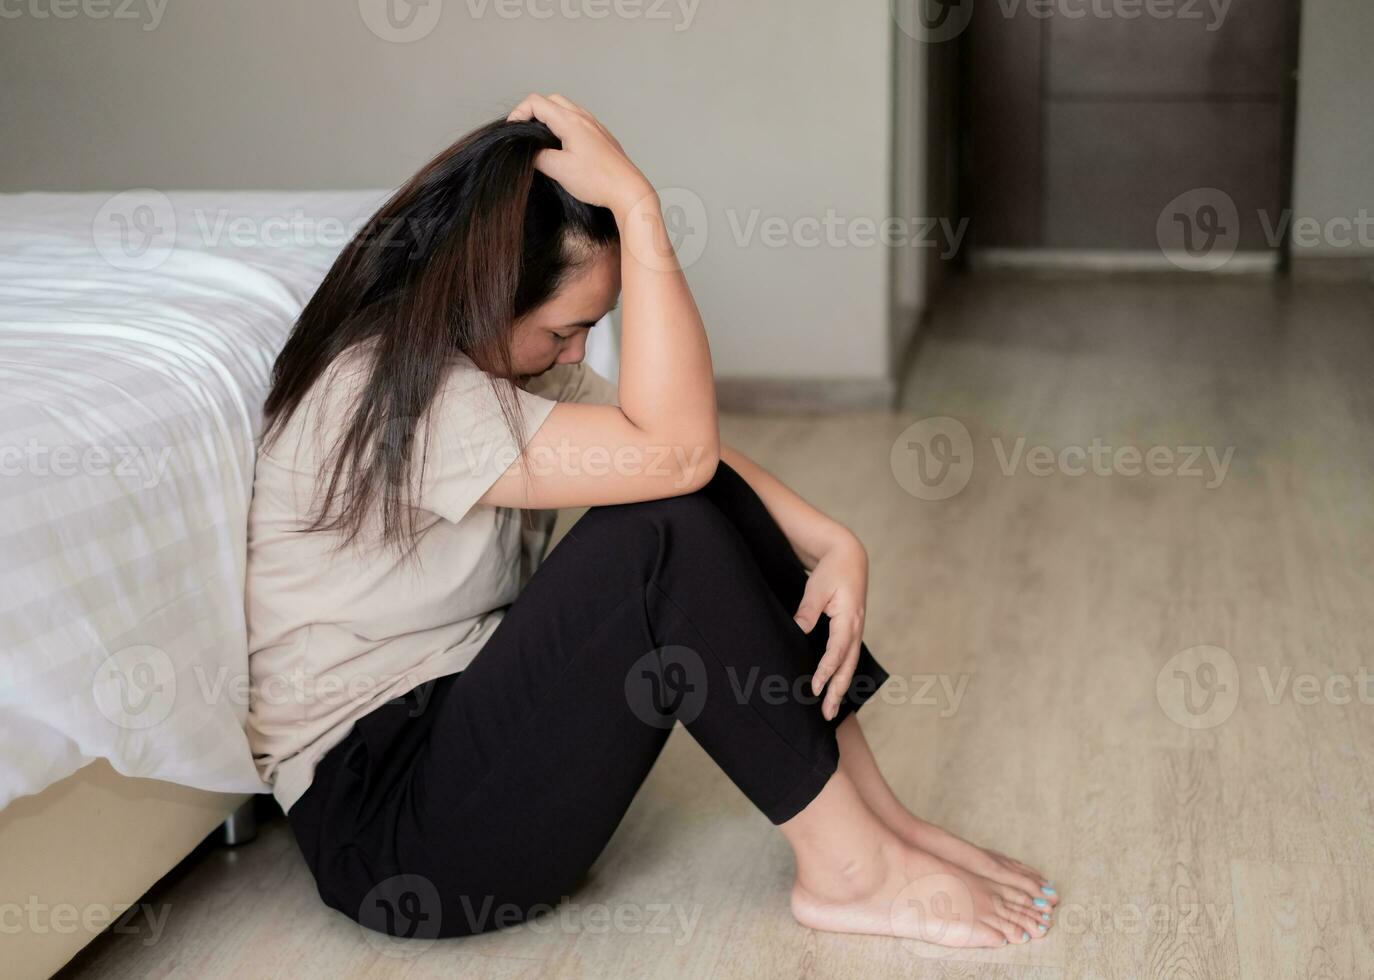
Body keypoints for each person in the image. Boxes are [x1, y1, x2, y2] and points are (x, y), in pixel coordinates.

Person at [244, 93, 1058, 949]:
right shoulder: (394, 394)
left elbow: (688, 456)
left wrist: (830, 539)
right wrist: (641, 212)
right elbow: (675, 457)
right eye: (567, 331)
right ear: (490, 294)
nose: (575, 355)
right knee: (657, 530)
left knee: (678, 491)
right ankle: (852, 872)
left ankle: (877, 823)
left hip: (465, 744)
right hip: (397, 835)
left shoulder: (495, 365)